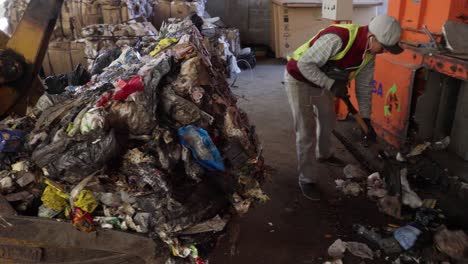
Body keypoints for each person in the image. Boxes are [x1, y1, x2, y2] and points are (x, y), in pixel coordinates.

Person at [284, 15, 403, 201]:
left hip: (322, 83)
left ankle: (324, 154)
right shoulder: (338, 38)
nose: (384, 52)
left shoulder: (369, 54)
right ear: (372, 36)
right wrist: (331, 84)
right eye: (384, 47)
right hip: (298, 78)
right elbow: (304, 64)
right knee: (305, 130)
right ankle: (306, 178)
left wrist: (366, 119)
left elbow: (364, 87)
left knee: (328, 117)